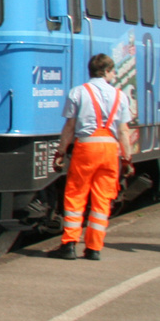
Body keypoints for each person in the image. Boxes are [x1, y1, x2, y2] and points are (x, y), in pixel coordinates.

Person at [50, 54, 135, 260]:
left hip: (86, 149)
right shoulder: (120, 96)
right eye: (113, 70)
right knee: (102, 199)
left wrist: (60, 152)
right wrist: (127, 159)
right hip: (110, 152)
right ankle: (94, 248)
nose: (114, 74)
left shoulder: (78, 92)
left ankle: (69, 245)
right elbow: (123, 131)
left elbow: (69, 127)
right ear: (105, 71)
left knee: (76, 195)